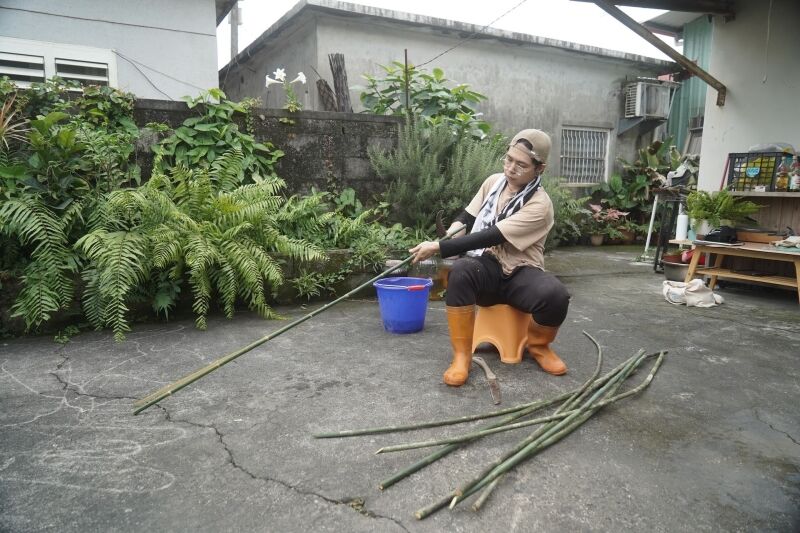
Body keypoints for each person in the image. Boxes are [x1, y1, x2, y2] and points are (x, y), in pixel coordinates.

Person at [409, 129, 571, 386]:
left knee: (556, 295)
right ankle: (462, 356)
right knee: (462, 271)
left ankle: (539, 346)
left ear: (540, 168)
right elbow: (468, 218)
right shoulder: (493, 182)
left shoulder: (540, 204)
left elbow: (493, 235)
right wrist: (450, 234)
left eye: (521, 164)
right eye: (508, 160)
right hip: (487, 266)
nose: (511, 168)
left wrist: (439, 247)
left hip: (521, 272)